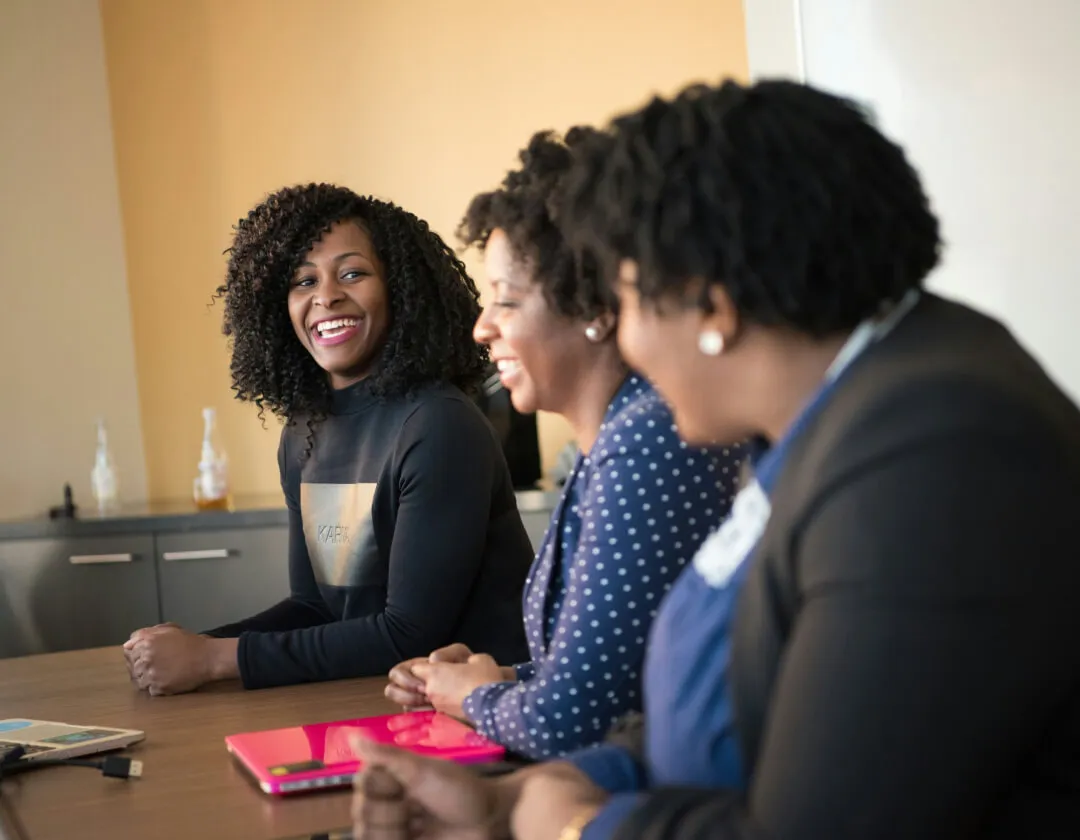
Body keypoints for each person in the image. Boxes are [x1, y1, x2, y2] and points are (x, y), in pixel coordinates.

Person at [350, 79, 1080, 840]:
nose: (625, 343)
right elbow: (735, 704)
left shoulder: (938, 454)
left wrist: (577, 826)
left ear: (711, 306)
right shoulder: (833, 416)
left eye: (626, 301)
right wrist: (535, 791)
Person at [382, 129, 743, 760]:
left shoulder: (647, 442)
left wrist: (474, 699)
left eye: (506, 301)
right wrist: (487, 682)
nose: (482, 326)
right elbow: (615, 678)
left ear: (594, 308)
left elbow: (569, 723)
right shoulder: (615, 439)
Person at [124, 184, 534, 695]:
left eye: (353, 273)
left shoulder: (438, 424)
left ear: (400, 290)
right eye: (303, 281)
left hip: (482, 715)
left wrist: (213, 659)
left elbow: (407, 633)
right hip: (368, 696)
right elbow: (314, 608)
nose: (326, 296)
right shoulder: (304, 431)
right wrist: (193, 647)